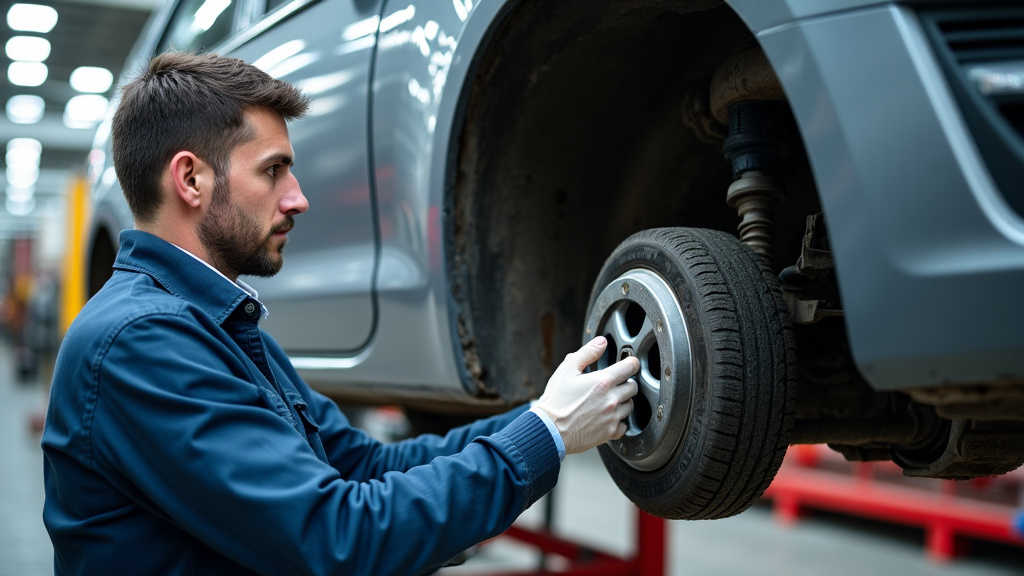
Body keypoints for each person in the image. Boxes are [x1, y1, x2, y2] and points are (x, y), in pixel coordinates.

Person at [41, 52, 639, 576]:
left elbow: (366, 465)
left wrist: (547, 413)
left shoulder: (218, 326)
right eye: (273, 170)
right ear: (191, 178)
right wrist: (549, 437)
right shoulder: (139, 343)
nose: (298, 196)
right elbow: (338, 542)